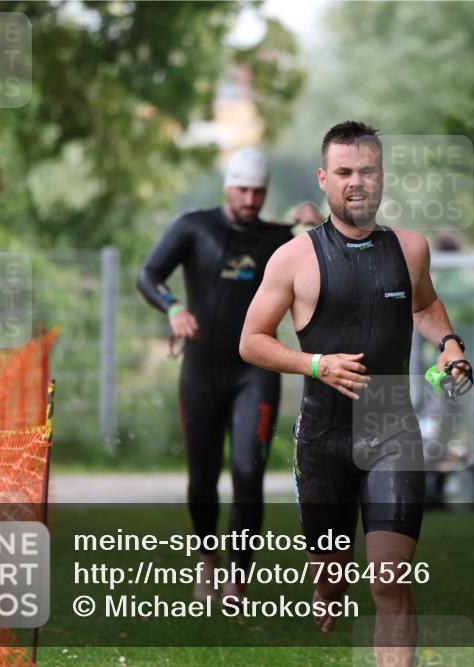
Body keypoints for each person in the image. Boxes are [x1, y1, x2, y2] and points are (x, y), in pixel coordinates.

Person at [239, 121, 471, 666]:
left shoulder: (410, 249)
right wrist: (313, 363)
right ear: (324, 179)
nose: (356, 182)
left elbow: (425, 306)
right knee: (332, 571)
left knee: (390, 581)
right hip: (322, 435)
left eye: (367, 170)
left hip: (391, 425)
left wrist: (451, 344)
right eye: (344, 172)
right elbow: (251, 341)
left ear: (382, 177)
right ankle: (327, 586)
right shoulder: (293, 259)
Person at [136, 148, 293, 602]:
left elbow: (325, 238)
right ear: (228, 186)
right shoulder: (194, 226)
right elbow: (149, 274)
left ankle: (237, 578)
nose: (249, 199)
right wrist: (174, 307)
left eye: (258, 191)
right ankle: (208, 560)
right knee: (202, 478)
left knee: (248, 470)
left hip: (256, 372)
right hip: (201, 370)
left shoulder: (280, 237)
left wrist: (310, 219)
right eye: (242, 189)